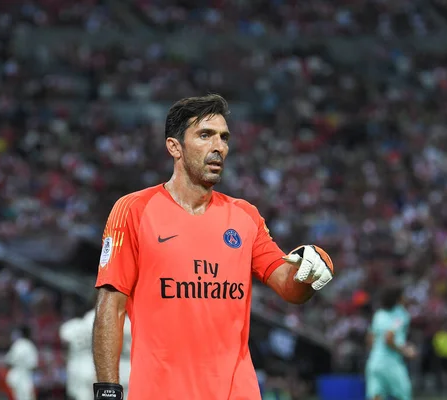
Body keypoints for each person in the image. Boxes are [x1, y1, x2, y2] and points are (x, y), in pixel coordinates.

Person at [92, 94, 335, 400]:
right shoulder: (134, 210)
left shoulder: (245, 216)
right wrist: (107, 391)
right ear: (174, 147)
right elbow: (110, 306)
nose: (218, 146)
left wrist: (310, 272)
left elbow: (289, 287)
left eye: (224, 137)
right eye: (205, 135)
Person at [62, 309, 132, 400]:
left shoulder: (77, 325)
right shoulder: (125, 324)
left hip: (82, 372)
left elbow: (65, 335)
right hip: (117, 376)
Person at [365, 284, 416, 400]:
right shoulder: (401, 314)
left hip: (374, 362)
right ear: (398, 298)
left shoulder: (378, 314)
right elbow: (389, 338)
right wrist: (406, 351)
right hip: (391, 363)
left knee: (376, 396)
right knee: (404, 395)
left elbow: (370, 339)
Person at [5, 325, 39, 400]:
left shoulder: (17, 344)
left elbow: (8, 362)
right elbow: (33, 366)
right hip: (24, 378)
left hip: (13, 376)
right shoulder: (30, 346)